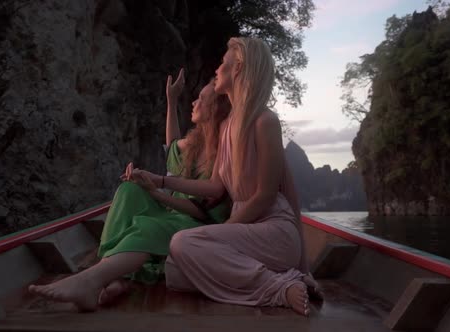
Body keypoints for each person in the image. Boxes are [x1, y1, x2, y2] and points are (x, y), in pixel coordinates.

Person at [130, 37, 319, 316]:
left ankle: (279, 286)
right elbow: (214, 186)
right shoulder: (227, 126)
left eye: (223, 63)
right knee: (174, 270)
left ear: (239, 67)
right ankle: (282, 278)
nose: (218, 69)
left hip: (273, 232)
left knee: (182, 243)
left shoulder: (265, 121)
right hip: (242, 235)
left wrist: (304, 265)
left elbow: (272, 195)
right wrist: (160, 181)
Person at [28, 69, 231, 311]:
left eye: (202, 99)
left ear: (214, 109)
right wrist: (171, 100)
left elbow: (204, 213)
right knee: (129, 190)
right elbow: (173, 150)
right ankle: (114, 277)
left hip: (197, 224)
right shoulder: (196, 140)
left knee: (148, 224)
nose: (195, 102)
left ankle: (91, 280)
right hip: (172, 212)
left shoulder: (224, 149)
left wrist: (157, 190)